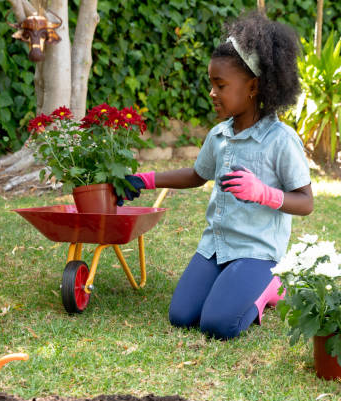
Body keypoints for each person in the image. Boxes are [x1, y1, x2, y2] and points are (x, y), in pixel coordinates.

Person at [117, 11, 313, 340]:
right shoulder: (219, 134)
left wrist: (264, 193)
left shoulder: (281, 140)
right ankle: (233, 284)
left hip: (256, 250)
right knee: (181, 316)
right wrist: (146, 180)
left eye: (220, 85)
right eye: (211, 84)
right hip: (215, 246)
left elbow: (305, 202)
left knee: (218, 325)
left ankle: (270, 285)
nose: (212, 93)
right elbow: (197, 174)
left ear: (252, 86)